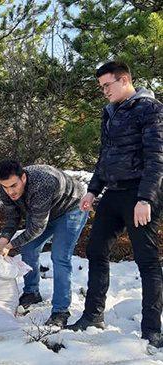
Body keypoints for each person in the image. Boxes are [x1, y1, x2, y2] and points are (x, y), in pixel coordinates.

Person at [65, 61, 163, 348]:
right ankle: (93, 315)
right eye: (101, 87)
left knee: (147, 260)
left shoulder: (150, 109)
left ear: (124, 81)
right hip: (114, 192)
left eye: (107, 85)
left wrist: (146, 198)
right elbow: (105, 156)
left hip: (141, 193)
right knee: (96, 249)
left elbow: (157, 158)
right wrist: (93, 191)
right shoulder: (109, 112)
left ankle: (152, 328)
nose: (104, 91)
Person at [0, 161, 88, 327]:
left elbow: (37, 228)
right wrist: (2, 241)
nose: (10, 191)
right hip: (43, 212)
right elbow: (13, 219)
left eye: (14, 186)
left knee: (60, 257)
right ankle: (31, 292)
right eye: (5, 187)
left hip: (71, 208)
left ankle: (60, 311)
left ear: (24, 178)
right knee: (28, 249)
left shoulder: (42, 184)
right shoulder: (6, 187)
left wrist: (10, 246)